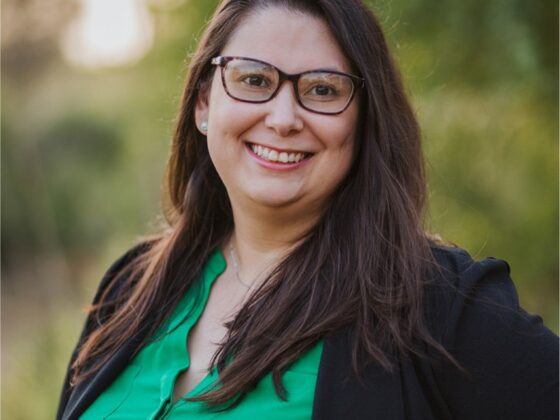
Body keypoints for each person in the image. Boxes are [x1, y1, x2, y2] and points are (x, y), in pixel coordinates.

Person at [56, 0, 558, 419]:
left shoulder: (436, 305)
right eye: (253, 80)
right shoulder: (129, 288)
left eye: (322, 90)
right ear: (204, 104)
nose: (283, 118)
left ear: (364, 122)